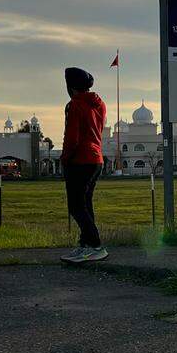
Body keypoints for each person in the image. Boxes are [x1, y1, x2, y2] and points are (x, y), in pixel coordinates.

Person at [59, 67, 108, 264]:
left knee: (76, 207)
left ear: (70, 86)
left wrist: (65, 158)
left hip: (79, 160)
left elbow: (72, 137)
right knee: (85, 205)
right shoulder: (99, 104)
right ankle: (86, 246)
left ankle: (96, 245)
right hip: (96, 160)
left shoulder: (74, 105)